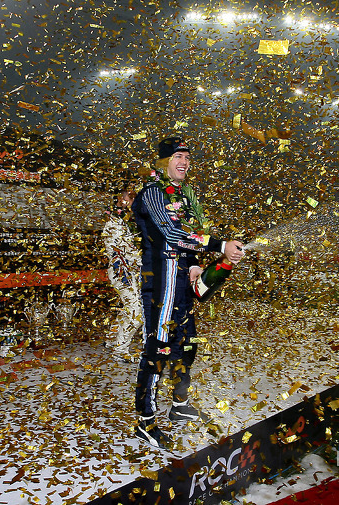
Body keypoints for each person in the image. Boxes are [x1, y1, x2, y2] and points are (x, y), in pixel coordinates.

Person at [131, 136, 244, 448]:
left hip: (181, 281)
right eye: (177, 156)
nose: (184, 162)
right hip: (161, 284)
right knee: (159, 349)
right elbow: (172, 233)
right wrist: (220, 245)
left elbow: (190, 236)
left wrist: (195, 264)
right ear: (162, 162)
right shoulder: (152, 192)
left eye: (187, 157)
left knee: (187, 344)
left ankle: (179, 405)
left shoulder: (183, 196)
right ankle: (145, 420)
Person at [102, 188, 143, 362]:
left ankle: (112, 339)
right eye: (130, 197)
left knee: (130, 307)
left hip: (129, 272)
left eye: (135, 197)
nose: (133, 200)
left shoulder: (123, 221)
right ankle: (120, 350)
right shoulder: (113, 223)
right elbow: (128, 253)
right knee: (136, 312)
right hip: (122, 273)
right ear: (120, 198)